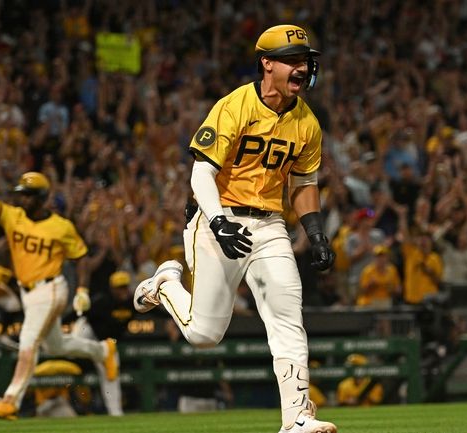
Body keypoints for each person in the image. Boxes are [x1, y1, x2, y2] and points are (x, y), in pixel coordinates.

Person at [132, 24, 337, 433]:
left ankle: (297, 417)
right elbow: (201, 172)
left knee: (287, 315)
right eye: (293, 60)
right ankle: (164, 284)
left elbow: (303, 184)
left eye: (305, 60)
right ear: (267, 63)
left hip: (270, 225)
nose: (303, 67)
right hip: (215, 220)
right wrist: (220, 220)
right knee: (205, 335)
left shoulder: (308, 122)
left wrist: (314, 231)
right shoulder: (235, 105)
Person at [0, 148, 117, 420]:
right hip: (27, 292)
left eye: (27, 195)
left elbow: (81, 257)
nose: (22, 199)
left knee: (28, 341)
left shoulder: (61, 226)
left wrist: (82, 289)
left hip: (51, 288)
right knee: (57, 347)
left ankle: (10, 400)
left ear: (41, 198)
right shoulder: (12, 216)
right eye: (20, 194)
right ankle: (102, 350)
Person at [67, 270, 133, 416]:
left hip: (106, 344)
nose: (123, 290)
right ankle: (69, 349)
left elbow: (154, 312)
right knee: (82, 325)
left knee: (112, 373)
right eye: (120, 287)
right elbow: (79, 313)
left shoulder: (131, 302)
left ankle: (115, 412)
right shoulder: (102, 301)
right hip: (90, 335)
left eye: (125, 286)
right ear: (112, 288)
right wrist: (60, 323)